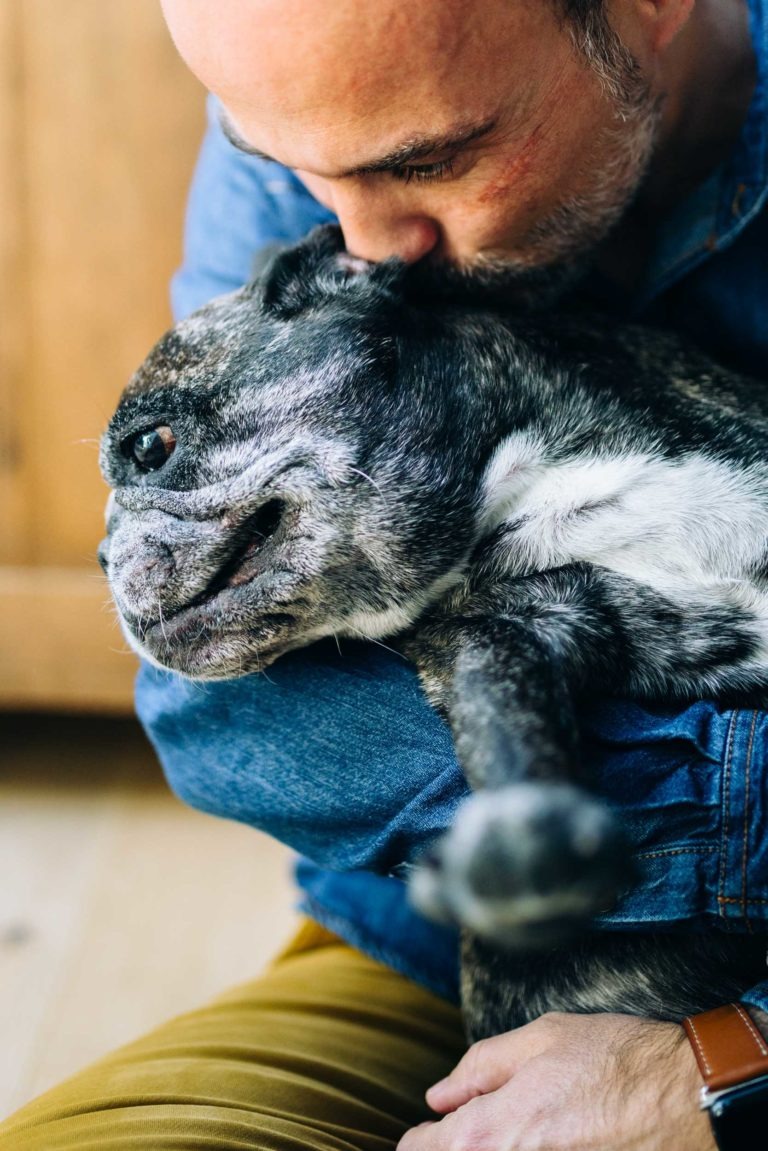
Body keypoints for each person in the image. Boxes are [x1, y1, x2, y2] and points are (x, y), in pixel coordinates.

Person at [3, 1, 768, 1148]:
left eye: (427, 160)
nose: (361, 251)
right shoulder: (315, 102)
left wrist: (713, 1074)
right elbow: (219, 716)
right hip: (424, 956)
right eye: (291, 171)